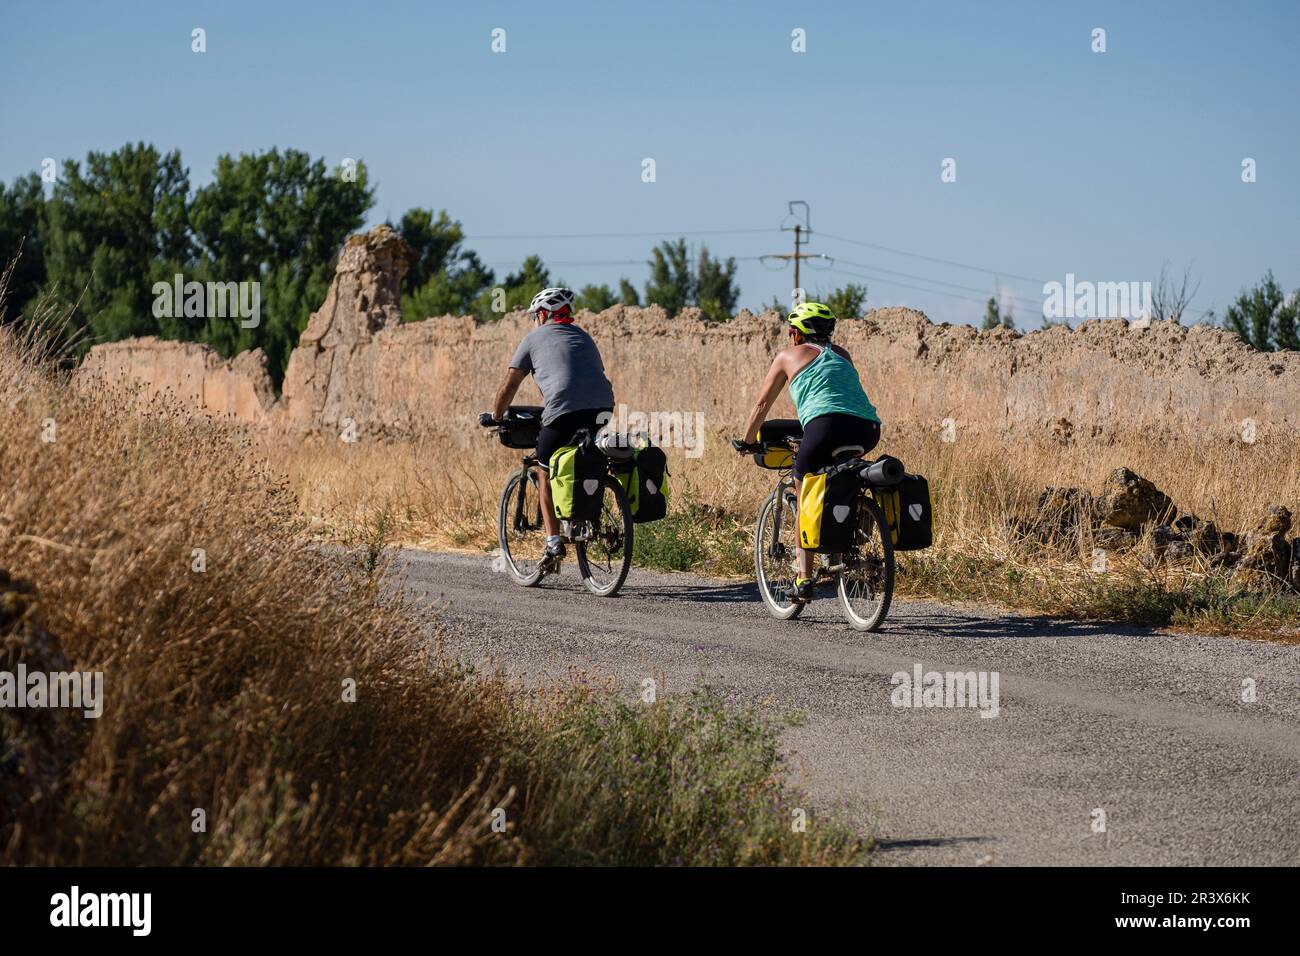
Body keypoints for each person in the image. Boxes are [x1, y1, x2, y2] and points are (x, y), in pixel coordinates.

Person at [739, 301, 882, 601]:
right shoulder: (843, 354)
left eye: (790, 332)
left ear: (795, 333)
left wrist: (748, 440)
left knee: (804, 493)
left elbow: (762, 405)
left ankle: (803, 580)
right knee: (842, 479)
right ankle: (849, 540)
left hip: (825, 426)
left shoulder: (787, 356)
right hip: (868, 428)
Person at [490, 287, 615, 566]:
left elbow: (510, 384)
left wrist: (497, 415)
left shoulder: (533, 338)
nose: (534, 320)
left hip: (563, 411)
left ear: (543, 314)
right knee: (585, 458)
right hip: (603, 408)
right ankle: (589, 518)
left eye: (535, 315)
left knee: (544, 469)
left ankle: (553, 543)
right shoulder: (584, 337)